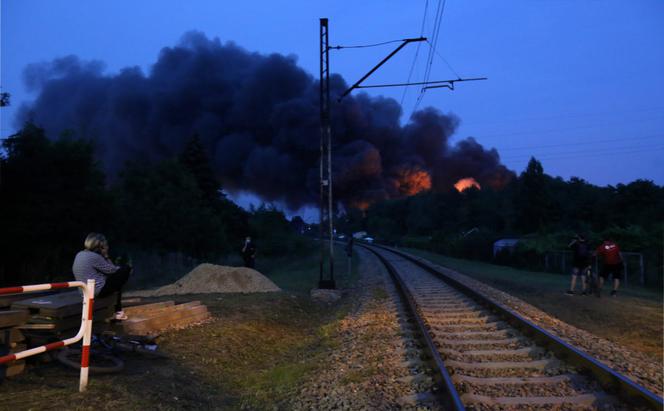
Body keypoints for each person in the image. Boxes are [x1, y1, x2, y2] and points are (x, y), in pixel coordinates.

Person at [72, 233, 131, 320]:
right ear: (100, 246)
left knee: (115, 281)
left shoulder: (80, 254)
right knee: (125, 269)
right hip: (96, 291)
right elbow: (112, 270)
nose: (107, 246)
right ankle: (118, 311)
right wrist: (106, 256)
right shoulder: (94, 257)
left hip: (83, 291)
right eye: (105, 244)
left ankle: (118, 311)